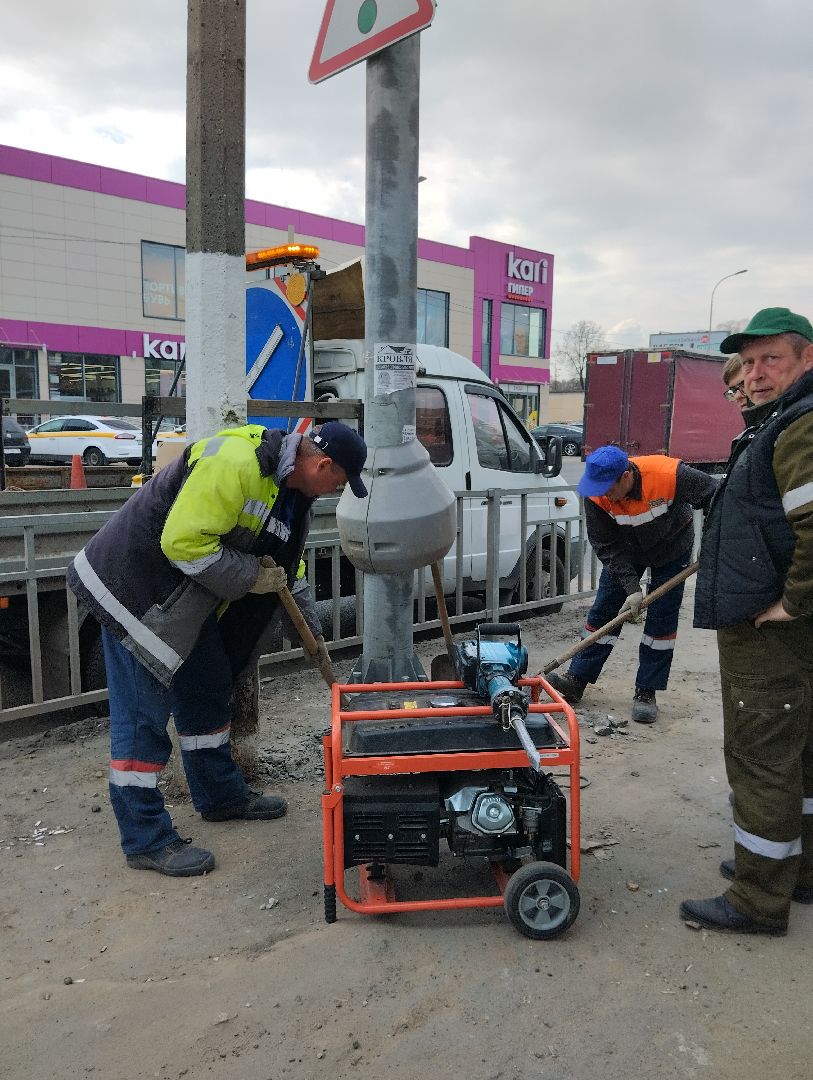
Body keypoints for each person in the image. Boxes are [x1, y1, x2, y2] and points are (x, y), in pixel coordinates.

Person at [66, 420, 368, 878]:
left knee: (207, 685)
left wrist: (313, 636)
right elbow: (182, 544)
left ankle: (220, 796)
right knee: (143, 718)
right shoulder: (237, 464)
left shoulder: (294, 497)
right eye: (339, 482)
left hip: (183, 599)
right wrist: (251, 576)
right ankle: (145, 839)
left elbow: (290, 572)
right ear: (322, 464)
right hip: (134, 590)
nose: (336, 491)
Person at [682, 307, 813, 934]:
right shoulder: (781, 422)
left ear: (807, 359)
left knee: (762, 757)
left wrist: (794, 602)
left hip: (772, 632)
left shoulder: (800, 428)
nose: (756, 375)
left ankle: (758, 900)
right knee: (799, 754)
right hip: (781, 631)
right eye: (750, 363)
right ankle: (798, 871)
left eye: (771, 360)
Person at [547, 446, 717, 723]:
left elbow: (716, 496)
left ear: (626, 476)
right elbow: (606, 544)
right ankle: (577, 678)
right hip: (625, 550)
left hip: (672, 548)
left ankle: (647, 691)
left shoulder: (668, 475)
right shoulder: (596, 494)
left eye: (609, 488)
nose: (604, 494)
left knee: (661, 621)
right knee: (604, 612)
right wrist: (632, 589)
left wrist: (710, 543)